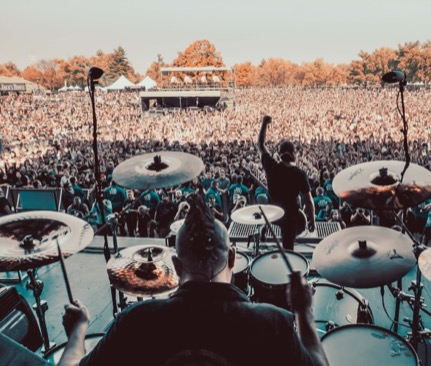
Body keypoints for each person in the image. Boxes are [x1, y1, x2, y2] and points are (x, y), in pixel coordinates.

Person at [59, 194, 328, 366]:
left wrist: (78, 330)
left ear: (175, 266)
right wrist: (304, 312)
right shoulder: (274, 325)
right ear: (232, 259)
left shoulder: (135, 322)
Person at [258, 115, 315, 250]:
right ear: (294, 154)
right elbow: (308, 201)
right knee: (288, 250)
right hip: (290, 217)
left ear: (279, 154)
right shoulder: (300, 174)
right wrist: (312, 220)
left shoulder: (271, 166)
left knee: (268, 207)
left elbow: (260, 145)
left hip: (273, 213)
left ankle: (264, 227)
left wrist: (264, 123)